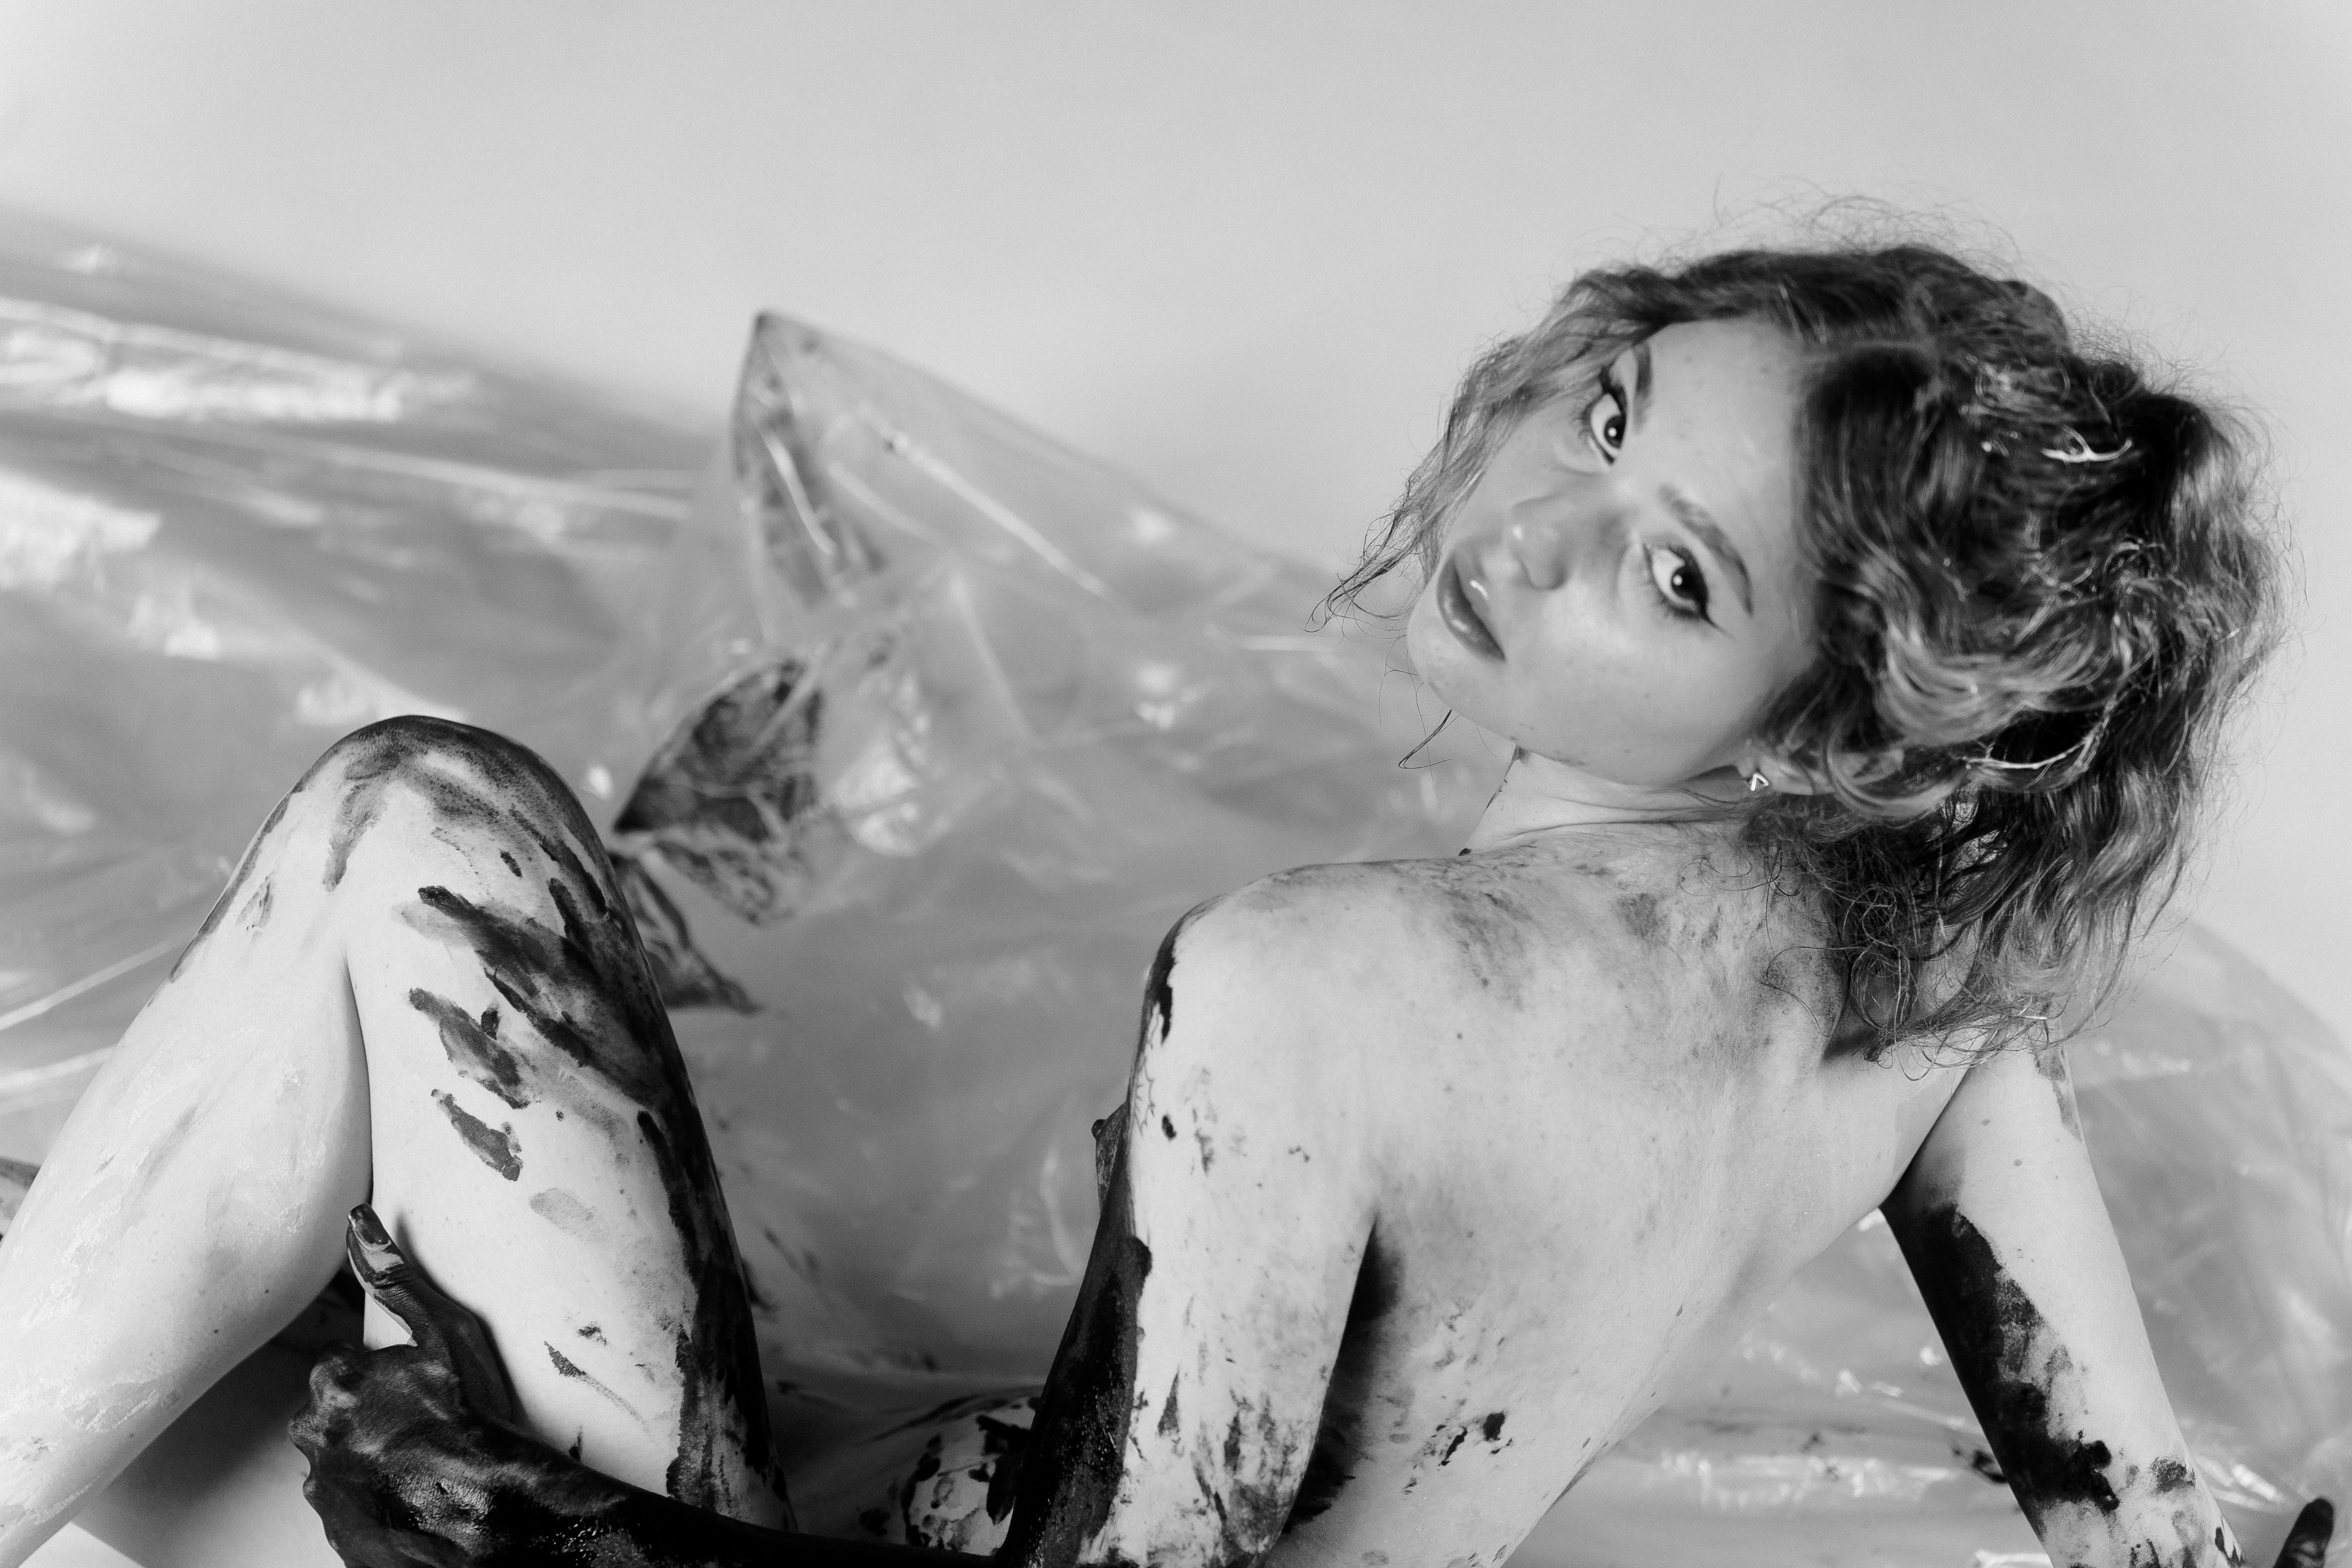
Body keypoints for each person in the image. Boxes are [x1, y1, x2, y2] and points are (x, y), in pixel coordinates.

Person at [0, 238, 2333, 1568]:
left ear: (1836, 733)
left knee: (418, 821)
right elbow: (2149, 1532)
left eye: (1677, 576)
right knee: (181, 1249)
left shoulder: (1319, 991)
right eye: (1614, 411)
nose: (1534, 524)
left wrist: (513, 1505)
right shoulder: (1934, 1036)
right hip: (902, 1486)